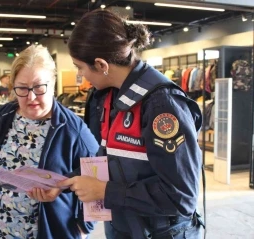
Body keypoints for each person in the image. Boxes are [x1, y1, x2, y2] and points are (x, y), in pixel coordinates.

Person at [58, 9, 204, 239]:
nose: (81, 75)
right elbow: (110, 158)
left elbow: (181, 197)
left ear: (101, 64)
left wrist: (105, 191)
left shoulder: (161, 104)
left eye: (80, 67)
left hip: (161, 232)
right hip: (124, 224)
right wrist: (62, 183)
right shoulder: (105, 98)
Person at [0, 44, 99, 239]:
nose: (31, 97)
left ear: (53, 83)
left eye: (39, 87)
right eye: (22, 88)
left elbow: (98, 173)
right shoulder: (1, 117)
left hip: (46, 232)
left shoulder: (73, 129)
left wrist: (84, 226)